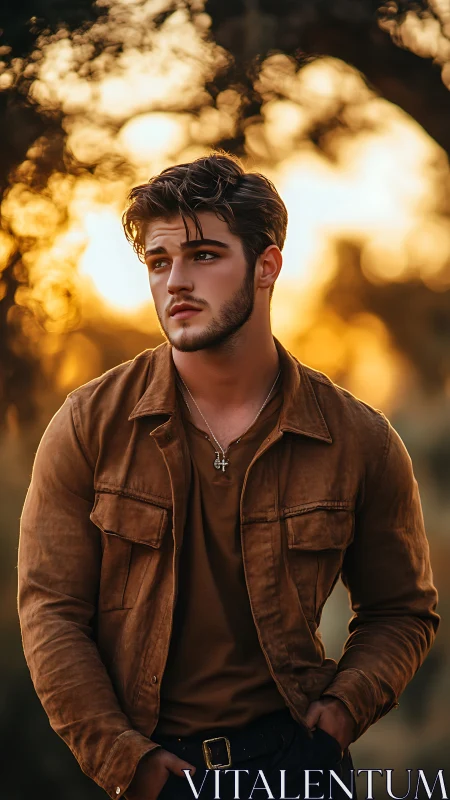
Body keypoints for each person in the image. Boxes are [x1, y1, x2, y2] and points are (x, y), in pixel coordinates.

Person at [18, 153, 439, 800]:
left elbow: (402, 610)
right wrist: (126, 762)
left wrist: (340, 714)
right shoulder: (88, 427)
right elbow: (51, 613)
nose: (175, 282)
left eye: (204, 255)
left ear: (266, 267)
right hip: (155, 771)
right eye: (159, 263)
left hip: (300, 764)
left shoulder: (358, 439)